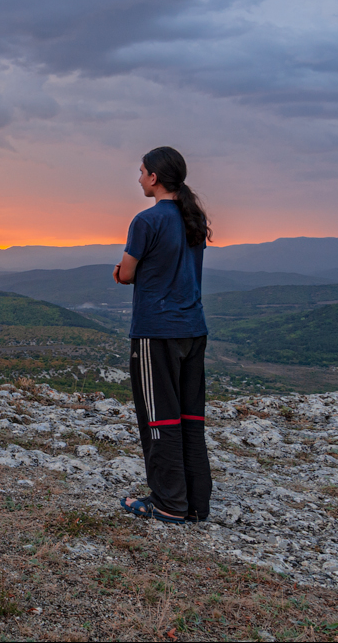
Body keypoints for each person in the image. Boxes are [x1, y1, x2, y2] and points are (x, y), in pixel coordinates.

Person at [112, 146, 212, 525]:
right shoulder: (192, 218)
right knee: (189, 417)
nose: (139, 178)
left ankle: (169, 503)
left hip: (157, 331)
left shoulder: (146, 221)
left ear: (154, 178)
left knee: (159, 418)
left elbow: (126, 273)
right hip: (193, 329)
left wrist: (120, 272)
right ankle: (195, 503)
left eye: (142, 172)